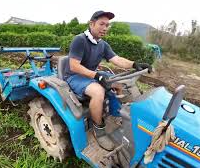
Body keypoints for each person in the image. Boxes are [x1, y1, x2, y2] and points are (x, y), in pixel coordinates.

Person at [64, 11, 152, 151]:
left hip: (91, 74)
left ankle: (116, 113)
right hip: (75, 76)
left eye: (107, 25)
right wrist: (96, 76)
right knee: (98, 91)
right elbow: (74, 66)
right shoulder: (79, 40)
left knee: (117, 82)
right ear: (91, 24)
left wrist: (135, 64)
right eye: (102, 24)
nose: (105, 28)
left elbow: (117, 60)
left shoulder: (102, 44)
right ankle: (98, 129)